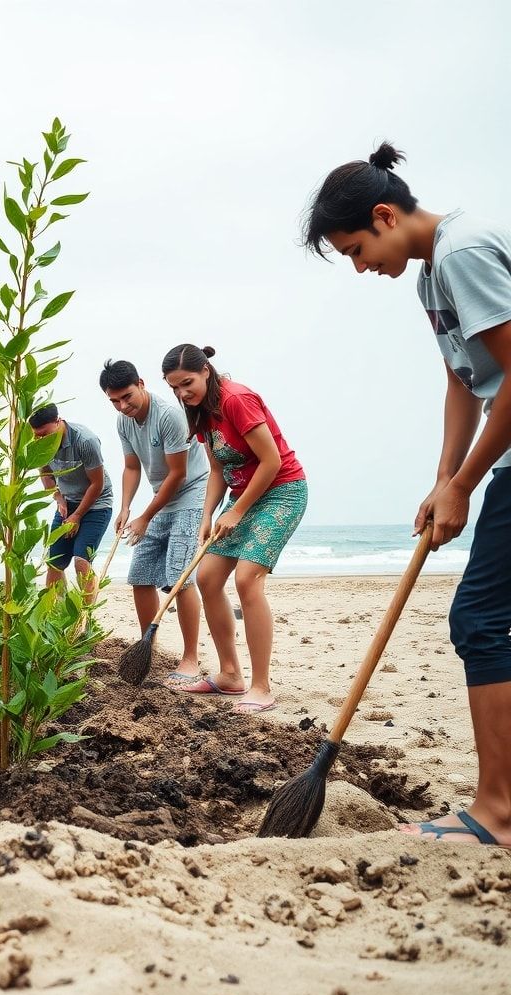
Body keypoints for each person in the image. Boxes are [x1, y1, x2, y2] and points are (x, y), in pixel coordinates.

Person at [303, 142, 511, 847]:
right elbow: (464, 379)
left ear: (385, 216)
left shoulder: (460, 252)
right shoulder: (431, 277)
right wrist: (442, 477)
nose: (362, 268)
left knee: (480, 618)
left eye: (357, 250)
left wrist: (466, 483)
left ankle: (497, 812)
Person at [162, 344, 307, 714]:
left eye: (187, 383)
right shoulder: (200, 411)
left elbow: (272, 461)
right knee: (207, 578)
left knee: (246, 580)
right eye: (175, 388)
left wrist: (238, 511)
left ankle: (261, 687)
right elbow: (216, 470)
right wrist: (209, 514)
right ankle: (229, 675)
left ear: (206, 371)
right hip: (242, 496)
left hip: (281, 492)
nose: (182, 393)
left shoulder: (236, 400)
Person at [100, 360, 209, 686]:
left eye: (127, 397)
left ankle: (191, 658)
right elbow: (132, 467)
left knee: (180, 578)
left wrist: (145, 516)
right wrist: (126, 507)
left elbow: (179, 474)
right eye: (114, 401)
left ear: (142, 384)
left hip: (192, 493)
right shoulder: (125, 421)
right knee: (140, 574)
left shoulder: (170, 415)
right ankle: (149, 647)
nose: (123, 406)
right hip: (160, 496)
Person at [28, 403, 114, 603]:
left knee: (81, 562)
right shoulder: (39, 443)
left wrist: (76, 516)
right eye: (37, 436)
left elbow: (97, 484)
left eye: (45, 434)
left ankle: (85, 619)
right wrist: (58, 498)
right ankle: (59, 617)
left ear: (58, 422)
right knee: (54, 563)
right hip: (68, 501)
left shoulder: (85, 440)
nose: (41, 440)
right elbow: (46, 474)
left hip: (97, 503)